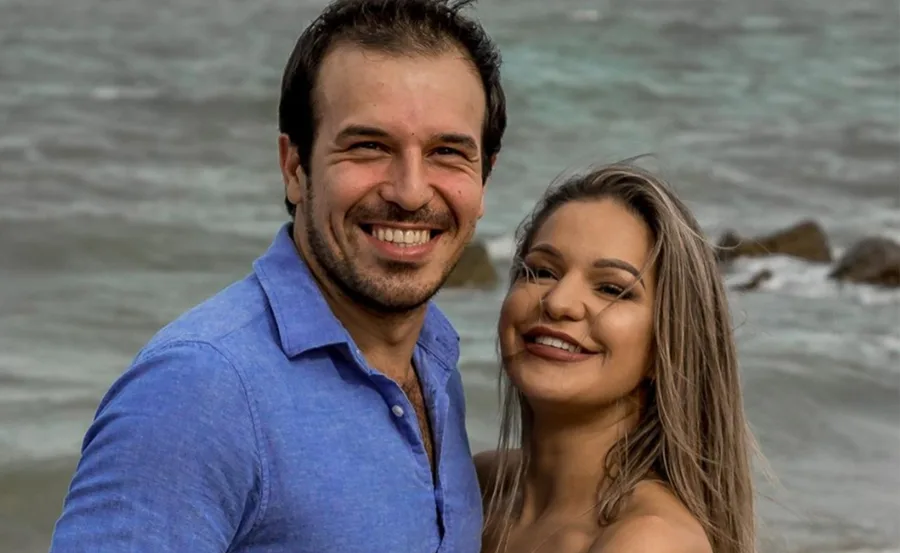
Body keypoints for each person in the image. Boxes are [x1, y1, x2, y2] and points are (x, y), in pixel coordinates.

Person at [48, 0, 506, 551]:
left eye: (447, 152)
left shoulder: (434, 363)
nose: (410, 191)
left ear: (484, 178)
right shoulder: (200, 389)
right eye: (368, 147)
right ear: (295, 167)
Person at [475, 162, 759, 553]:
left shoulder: (649, 540)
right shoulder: (478, 487)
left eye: (611, 288)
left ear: (667, 348)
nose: (559, 302)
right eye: (541, 271)